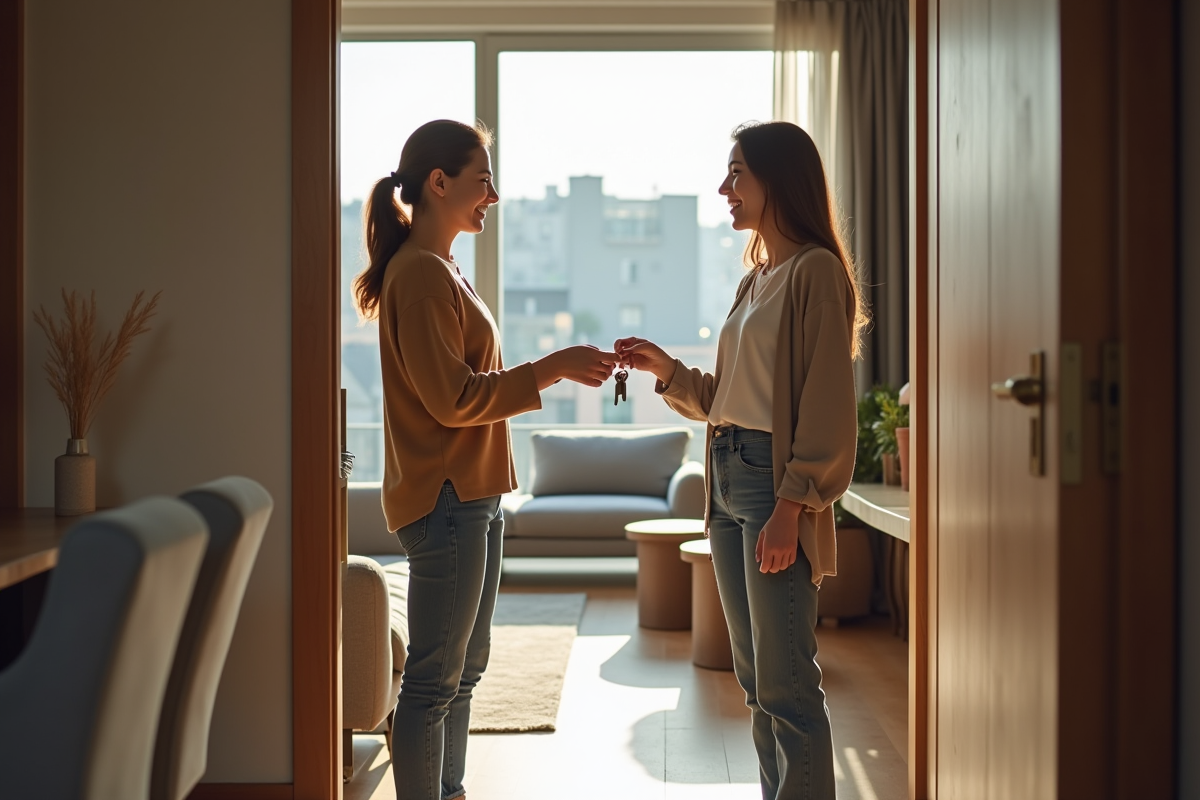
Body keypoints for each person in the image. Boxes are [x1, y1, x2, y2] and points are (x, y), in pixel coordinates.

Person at [354, 119, 617, 800]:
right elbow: (452, 400)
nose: (493, 196)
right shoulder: (418, 274)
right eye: (483, 181)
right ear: (438, 184)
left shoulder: (442, 270)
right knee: (436, 678)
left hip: (472, 498)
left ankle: (450, 790)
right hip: (446, 501)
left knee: (465, 670)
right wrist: (551, 368)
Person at [614, 120, 866, 800]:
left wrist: (793, 503)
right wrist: (668, 369)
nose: (724, 188)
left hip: (769, 486)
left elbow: (825, 407)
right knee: (757, 681)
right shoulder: (758, 279)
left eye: (737, 174)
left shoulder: (815, 272)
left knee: (787, 682)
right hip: (726, 478)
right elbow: (725, 400)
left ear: (777, 180)